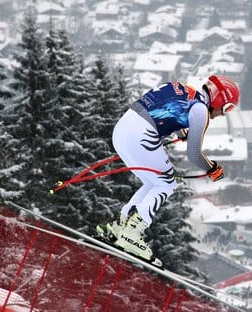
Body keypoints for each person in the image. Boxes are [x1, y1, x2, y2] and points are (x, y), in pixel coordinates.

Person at [96, 75, 240, 264]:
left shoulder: (186, 90)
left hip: (122, 129)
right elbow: (194, 154)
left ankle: (121, 226)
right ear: (219, 98)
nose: (223, 113)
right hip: (141, 134)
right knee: (167, 184)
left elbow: (166, 107)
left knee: (153, 182)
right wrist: (212, 168)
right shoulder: (201, 111)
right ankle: (132, 232)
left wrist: (181, 131)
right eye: (227, 107)